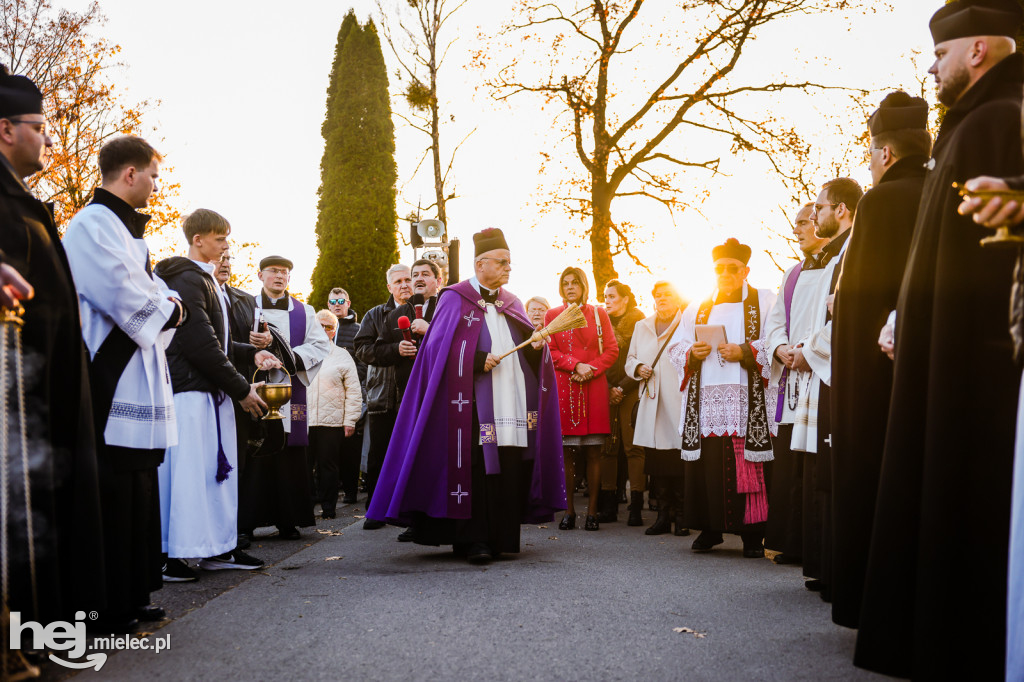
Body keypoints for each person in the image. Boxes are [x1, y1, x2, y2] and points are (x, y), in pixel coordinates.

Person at [856, 2, 1024, 677]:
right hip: (940, 349)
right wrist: (908, 319)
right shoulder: (970, 124)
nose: (932, 69)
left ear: (978, 48)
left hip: (975, 366)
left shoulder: (1000, 120)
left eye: (940, 54)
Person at [366, 228, 564, 564]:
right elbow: (434, 349)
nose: (508, 268)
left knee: (506, 464)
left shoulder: (512, 302)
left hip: (509, 401)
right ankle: (474, 540)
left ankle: (501, 538)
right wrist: (474, 359)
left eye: (509, 263)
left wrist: (536, 347)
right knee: (476, 467)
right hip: (468, 403)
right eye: (502, 262)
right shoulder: (454, 298)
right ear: (480, 263)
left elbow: (524, 350)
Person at [63, 135, 183, 629]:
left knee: (138, 487)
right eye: (153, 175)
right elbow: (127, 294)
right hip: (109, 377)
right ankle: (103, 605)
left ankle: (133, 593)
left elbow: (156, 291)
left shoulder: (128, 232)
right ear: (130, 173)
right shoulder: (91, 225)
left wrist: (168, 304)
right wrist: (170, 307)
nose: (156, 185)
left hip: (139, 376)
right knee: (111, 492)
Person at [0, 65, 104, 627]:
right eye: (39, 126)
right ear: (5, 129)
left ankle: (43, 626)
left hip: (49, 394)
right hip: (19, 399)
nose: (47, 138)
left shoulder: (25, 199)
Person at [828, 92, 930, 629]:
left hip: (875, 375)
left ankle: (867, 603)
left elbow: (859, 301)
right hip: (931, 367)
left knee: (874, 481)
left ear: (885, 153)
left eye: (871, 154)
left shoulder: (880, 201)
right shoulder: (943, 189)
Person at [153, 210, 280, 579]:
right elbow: (198, 344)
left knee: (214, 477)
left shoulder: (205, 280)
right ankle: (172, 556)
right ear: (198, 240)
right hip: (191, 394)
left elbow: (217, 341)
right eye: (220, 238)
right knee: (189, 476)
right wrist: (241, 389)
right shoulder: (186, 279)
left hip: (210, 392)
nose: (226, 245)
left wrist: (250, 352)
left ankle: (218, 549)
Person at [667, 238, 775, 558]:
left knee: (749, 467)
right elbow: (676, 346)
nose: (725, 274)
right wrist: (692, 352)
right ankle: (709, 528)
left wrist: (745, 351)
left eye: (732, 268)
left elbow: (776, 339)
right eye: (719, 269)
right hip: (706, 402)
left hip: (746, 401)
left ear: (745, 271)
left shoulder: (764, 301)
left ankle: (752, 535)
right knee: (709, 467)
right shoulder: (698, 306)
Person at [794, 177, 862, 597]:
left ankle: (838, 571)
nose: (814, 213)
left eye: (819, 207)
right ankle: (824, 565)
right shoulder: (835, 253)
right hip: (823, 368)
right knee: (821, 469)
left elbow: (846, 315)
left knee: (832, 469)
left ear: (841, 210)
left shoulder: (851, 250)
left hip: (838, 370)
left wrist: (808, 351)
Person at [240, 256, 331, 541]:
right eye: (274, 271)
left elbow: (320, 345)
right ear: (260, 275)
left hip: (289, 393)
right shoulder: (244, 306)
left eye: (285, 272)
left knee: (288, 456)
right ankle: (245, 523)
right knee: (253, 454)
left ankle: (288, 520)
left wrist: (288, 358)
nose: (280, 276)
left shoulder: (304, 311)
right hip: (253, 387)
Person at [762, 202, 828, 566]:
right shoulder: (792, 273)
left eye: (803, 222)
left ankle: (816, 546)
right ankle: (790, 542)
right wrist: (779, 348)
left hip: (820, 373)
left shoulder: (838, 265)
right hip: (792, 378)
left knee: (815, 463)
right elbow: (774, 323)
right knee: (790, 465)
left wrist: (809, 352)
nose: (797, 229)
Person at [216, 252, 295, 550]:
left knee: (241, 460)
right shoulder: (199, 293)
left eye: (228, 257)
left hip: (245, 385)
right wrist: (251, 349)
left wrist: (264, 342)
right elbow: (211, 343)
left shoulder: (244, 300)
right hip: (216, 384)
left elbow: (255, 337)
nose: (225, 262)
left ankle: (235, 528)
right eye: (219, 255)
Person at [546, 267, 618, 531]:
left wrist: (591, 369)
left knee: (594, 452)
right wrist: (575, 365)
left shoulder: (599, 314)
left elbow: (611, 349)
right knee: (566, 453)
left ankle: (593, 513)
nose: (570, 287)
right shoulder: (553, 315)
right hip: (566, 386)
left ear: (583, 286)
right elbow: (550, 350)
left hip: (593, 386)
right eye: (565, 283)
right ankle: (569, 511)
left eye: (575, 283)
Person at [354, 264, 415, 529]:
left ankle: (412, 511)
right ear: (389, 287)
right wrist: (394, 350)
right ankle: (376, 511)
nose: (404, 285)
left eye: (408, 279)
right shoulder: (375, 314)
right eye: (398, 281)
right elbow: (362, 349)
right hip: (383, 398)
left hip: (414, 398)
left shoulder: (425, 311)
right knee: (380, 457)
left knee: (413, 456)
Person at [626, 281, 685, 532]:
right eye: (658, 295)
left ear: (677, 298)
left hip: (678, 400)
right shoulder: (642, 326)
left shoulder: (687, 323)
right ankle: (662, 517)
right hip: (652, 401)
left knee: (679, 459)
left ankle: (681, 518)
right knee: (657, 461)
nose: (662, 299)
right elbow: (630, 359)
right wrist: (639, 367)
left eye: (667, 294)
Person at [598, 280, 646, 525]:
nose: (606, 300)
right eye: (605, 296)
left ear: (626, 299)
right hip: (604, 390)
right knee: (607, 447)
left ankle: (636, 506)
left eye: (612, 296)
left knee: (633, 447)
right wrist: (607, 388)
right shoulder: (599, 324)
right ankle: (608, 505)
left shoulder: (641, 324)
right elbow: (595, 358)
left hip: (632, 389)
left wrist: (621, 388)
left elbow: (644, 358)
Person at [307, 309, 362, 519]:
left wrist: (350, 420)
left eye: (328, 326)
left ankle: (329, 508)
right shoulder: (302, 353)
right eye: (319, 325)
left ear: (334, 331)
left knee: (328, 466)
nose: (323, 330)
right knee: (304, 466)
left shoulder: (342, 355)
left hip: (331, 422)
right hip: (305, 420)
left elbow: (354, 391)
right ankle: (306, 509)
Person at [326, 287, 364, 504]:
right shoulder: (320, 330)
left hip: (350, 393)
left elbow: (364, 362)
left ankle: (350, 490)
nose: (337, 305)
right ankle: (325, 491)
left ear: (348, 303)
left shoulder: (358, 330)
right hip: (326, 395)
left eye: (341, 301)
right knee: (327, 444)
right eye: (333, 302)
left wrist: (347, 380)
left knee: (351, 444)